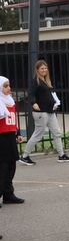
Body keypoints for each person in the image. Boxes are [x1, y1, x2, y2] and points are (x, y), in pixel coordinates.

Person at [19, 60, 69, 165]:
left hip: (50, 112)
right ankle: (25, 156)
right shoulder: (36, 81)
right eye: (42, 68)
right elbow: (30, 94)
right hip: (41, 113)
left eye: (45, 68)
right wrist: (34, 103)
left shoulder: (46, 81)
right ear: (37, 70)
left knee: (57, 133)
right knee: (38, 135)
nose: (44, 70)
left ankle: (61, 155)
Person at [0, 76, 25, 206]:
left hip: (10, 135)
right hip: (1, 136)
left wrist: (18, 133)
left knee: (11, 166)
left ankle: (8, 194)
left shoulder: (10, 101)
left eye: (9, 85)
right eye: (5, 86)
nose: (9, 88)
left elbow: (13, 118)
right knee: (2, 167)